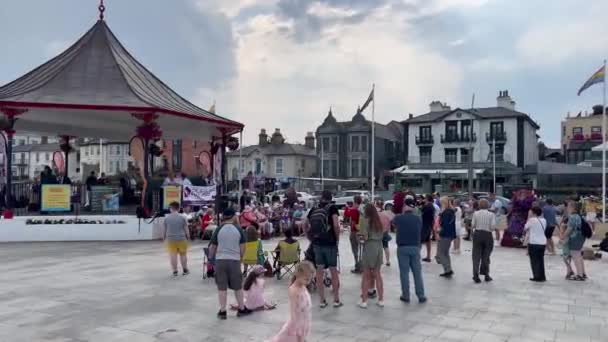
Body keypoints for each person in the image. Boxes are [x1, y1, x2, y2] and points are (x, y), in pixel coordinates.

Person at [208, 208, 252, 319]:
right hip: (234, 260)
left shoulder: (218, 229)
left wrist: (210, 259)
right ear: (233, 216)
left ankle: (222, 311)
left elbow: (212, 246)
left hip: (220, 260)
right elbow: (243, 247)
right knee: (238, 287)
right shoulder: (239, 229)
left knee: (221, 287)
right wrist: (240, 257)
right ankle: (241, 309)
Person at [307, 190, 342, 308]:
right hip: (330, 243)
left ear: (321, 197)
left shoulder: (314, 208)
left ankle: (322, 300)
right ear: (331, 197)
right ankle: (336, 300)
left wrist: (311, 238)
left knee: (319, 271)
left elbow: (305, 224)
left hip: (317, 243)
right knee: (333, 271)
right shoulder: (332, 208)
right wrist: (337, 239)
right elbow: (336, 225)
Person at [270, 261, 315, 342]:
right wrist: (297, 330)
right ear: (298, 275)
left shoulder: (303, 286)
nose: (308, 282)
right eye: (306, 279)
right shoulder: (294, 290)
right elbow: (293, 311)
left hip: (304, 322)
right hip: (297, 325)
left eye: (310, 279)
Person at [393, 198, 426, 303]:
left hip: (402, 247)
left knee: (404, 273)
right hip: (415, 247)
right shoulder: (418, 218)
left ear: (404, 206)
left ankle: (406, 295)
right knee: (417, 273)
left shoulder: (398, 218)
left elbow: (393, 225)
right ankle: (421, 295)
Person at [358, 204, 385, 308]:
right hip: (379, 246)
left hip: (369, 247)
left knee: (366, 275)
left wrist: (359, 237)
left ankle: (364, 301)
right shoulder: (379, 221)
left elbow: (364, 237)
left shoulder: (365, 220)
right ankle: (381, 299)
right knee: (377, 274)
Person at [471, 199, 496, 283]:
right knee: (486, 256)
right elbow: (493, 227)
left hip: (477, 234)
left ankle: (475, 275)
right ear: (488, 205)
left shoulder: (475, 213)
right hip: (488, 235)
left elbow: (473, 225)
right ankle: (486, 275)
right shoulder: (491, 214)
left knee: (476, 256)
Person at [560, 201, 587, 281]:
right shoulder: (578, 216)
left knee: (575, 256)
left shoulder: (572, 217)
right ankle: (582, 273)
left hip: (575, 237)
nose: (567, 208)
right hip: (580, 236)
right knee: (579, 255)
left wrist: (563, 236)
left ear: (573, 208)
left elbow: (570, 229)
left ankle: (579, 275)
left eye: (568, 206)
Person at [163, 201, 190, 277]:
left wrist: (164, 238)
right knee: (183, 254)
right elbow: (186, 228)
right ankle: (185, 270)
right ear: (178, 208)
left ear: (171, 208)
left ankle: (175, 271)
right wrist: (188, 236)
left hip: (170, 239)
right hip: (181, 238)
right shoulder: (183, 217)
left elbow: (165, 229)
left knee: (173, 255)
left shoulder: (167, 218)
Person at [525, 206, 547, 282]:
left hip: (534, 242)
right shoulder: (544, 220)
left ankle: (536, 276)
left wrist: (529, 217)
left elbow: (525, 227)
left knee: (534, 260)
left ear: (533, 212)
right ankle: (542, 276)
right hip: (542, 242)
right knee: (540, 260)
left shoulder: (531, 220)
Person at [436, 197, 456, 278]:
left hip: (445, 235)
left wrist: (439, 233)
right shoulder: (451, 211)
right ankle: (448, 269)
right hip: (450, 234)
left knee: (441, 253)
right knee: (445, 253)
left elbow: (445, 225)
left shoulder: (446, 213)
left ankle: (448, 270)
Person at [348, 195, 364, 273]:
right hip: (362, 232)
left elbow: (353, 222)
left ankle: (357, 266)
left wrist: (351, 227)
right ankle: (363, 266)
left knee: (355, 250)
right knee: (362, 250)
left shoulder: (354, 210)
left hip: (355, 232)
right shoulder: (362, 209)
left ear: (355, 201)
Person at [420, 195, 435, 262]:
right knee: (427, 240)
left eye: (425, 198)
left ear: (427, 199)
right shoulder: (432, 206)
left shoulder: (427, 206)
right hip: (429, 225)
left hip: (424, 225)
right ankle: (428, 256)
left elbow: (421, 213)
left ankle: (416, 256)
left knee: (420, 241)